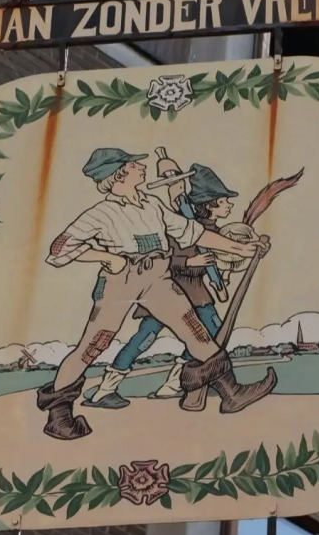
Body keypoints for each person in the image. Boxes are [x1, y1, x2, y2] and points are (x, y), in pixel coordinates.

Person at [38, 148, 277, 441]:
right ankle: (59, 419)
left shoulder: (151, 204)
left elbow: (193, 233)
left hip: (159, 280)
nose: (141, 166)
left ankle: (232, 394)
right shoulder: (101, 213)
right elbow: (59, 249)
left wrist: (241, 249)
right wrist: (107, 257)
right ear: (118, 175)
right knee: (92, 346)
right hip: (122, 282)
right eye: (133, 165)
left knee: (196, 333)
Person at [89, 163, 238, 407]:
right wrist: (190, 261)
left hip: (197, 294)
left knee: (211, 334)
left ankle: (176, 383)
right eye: (224, 201)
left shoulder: (211, 229)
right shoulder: (179, 223)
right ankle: (105, 390)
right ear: (210, 203)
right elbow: (164, 257)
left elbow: (216, 259)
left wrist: (223, 273)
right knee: (144, 340)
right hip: (166, 292)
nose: (229, 205)